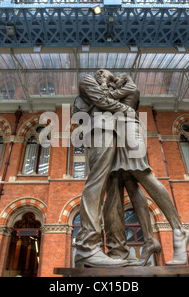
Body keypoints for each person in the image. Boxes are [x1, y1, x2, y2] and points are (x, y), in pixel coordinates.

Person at [103, 73, 189, 266]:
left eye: (117, 79)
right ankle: (148, 241)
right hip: (119, 134)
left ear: (125, 78)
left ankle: (180, 230)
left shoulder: (131, 89)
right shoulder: (122, 91)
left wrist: (105, 84)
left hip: (130, 131)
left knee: (144, 175)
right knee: (130, 183)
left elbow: (104, 99)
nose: (114, 82)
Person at [73, 69, 136, 268]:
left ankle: (118, 250)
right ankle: (87, 247)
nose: (110, 86)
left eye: (113, 84)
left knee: (115, 189)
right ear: (101, 74)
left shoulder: (105, 87)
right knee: (96, 184)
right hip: (98, 131)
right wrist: (127, 110)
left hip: (115, 132)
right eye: (109, 80)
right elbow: (101, 100)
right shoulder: (87, 80)